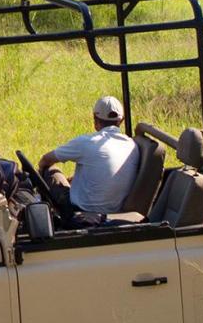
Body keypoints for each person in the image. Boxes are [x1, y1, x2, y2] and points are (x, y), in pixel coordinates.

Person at [37, 95, 138, 225]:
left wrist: (41, 168)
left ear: (95, 120)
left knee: (52, 171)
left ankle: (44, 219)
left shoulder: (86, 142)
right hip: (115, 210)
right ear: (122, 120)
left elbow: (46, 159)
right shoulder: (132, 146)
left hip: (82, 210)